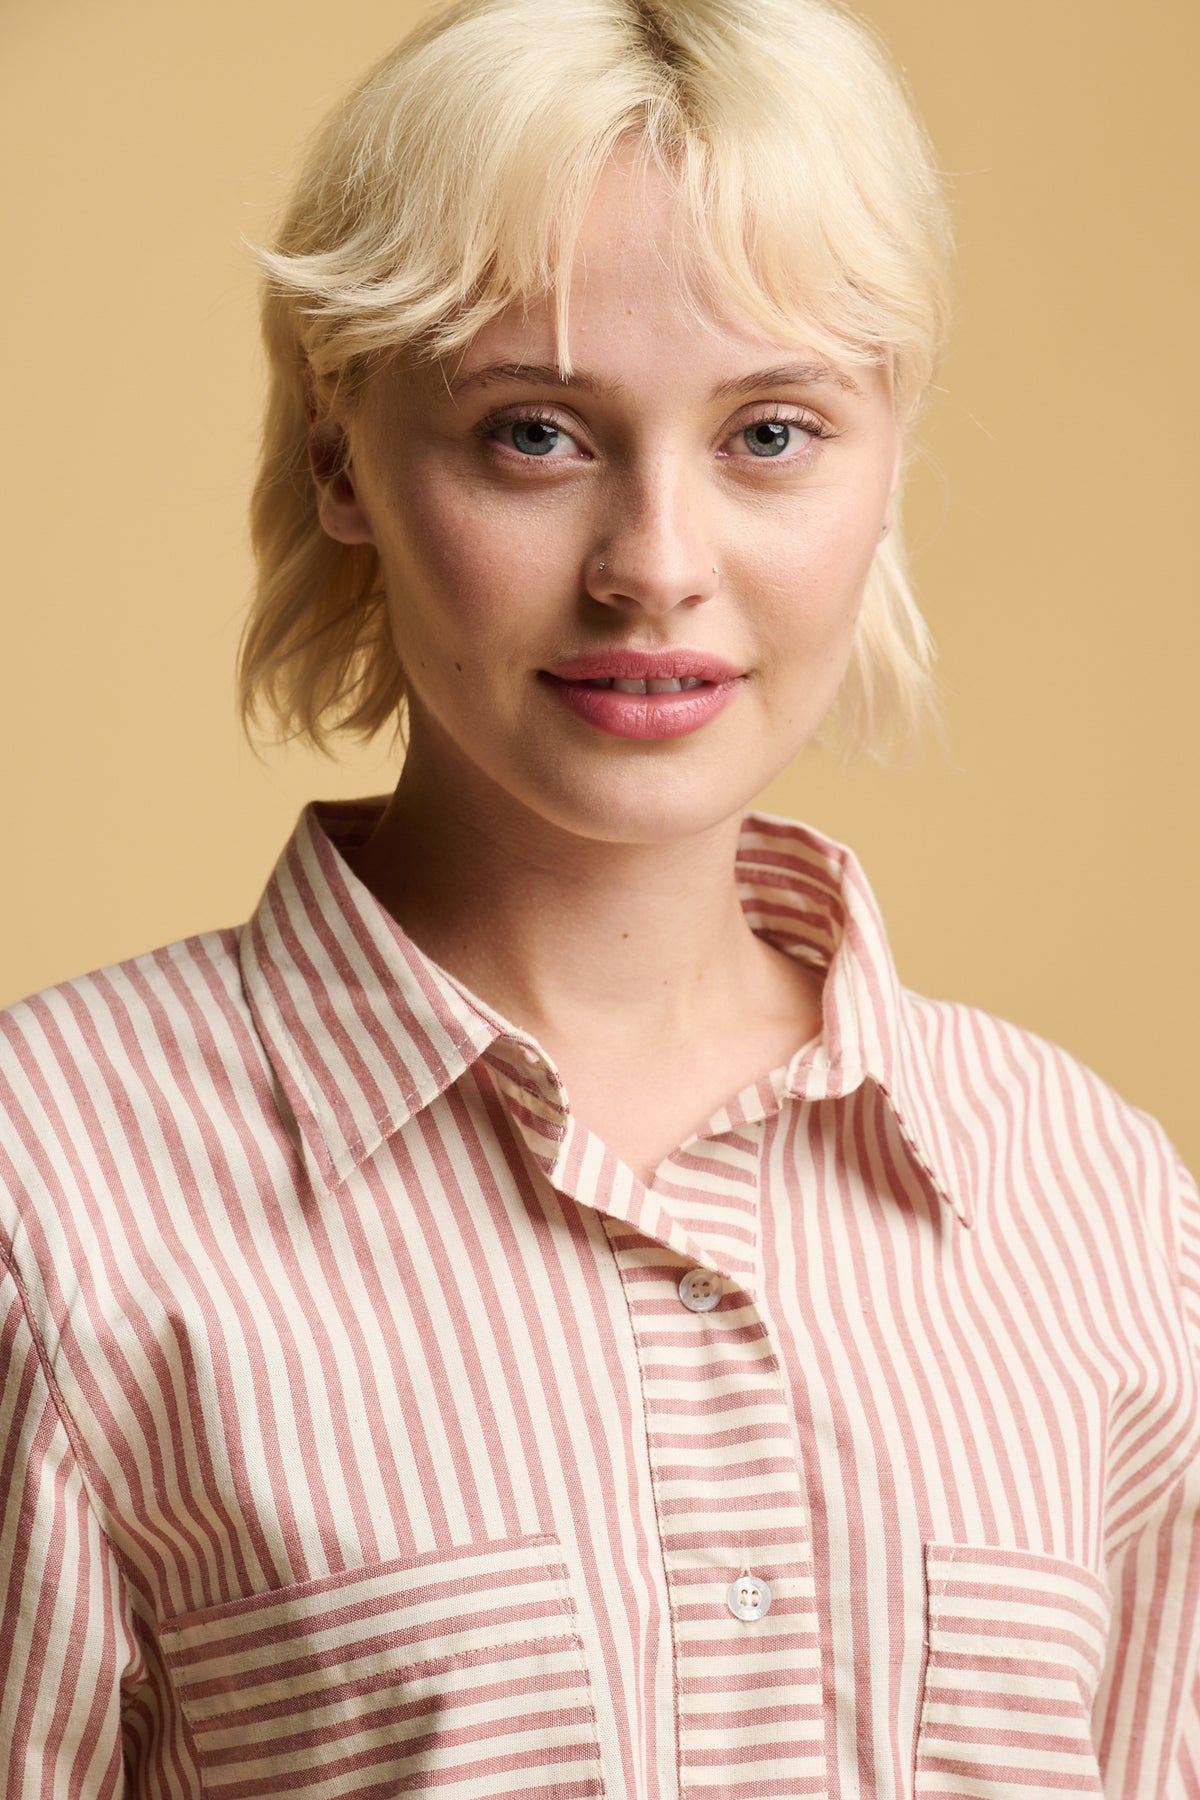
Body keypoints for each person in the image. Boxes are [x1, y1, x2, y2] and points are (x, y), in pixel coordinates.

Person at [2, 0, 1197, 1793]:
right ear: (343, 457)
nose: (656, 566)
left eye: (772, 434)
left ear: (887, 464)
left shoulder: (1104, 1211)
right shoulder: (47, 1195)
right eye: (537, 436)